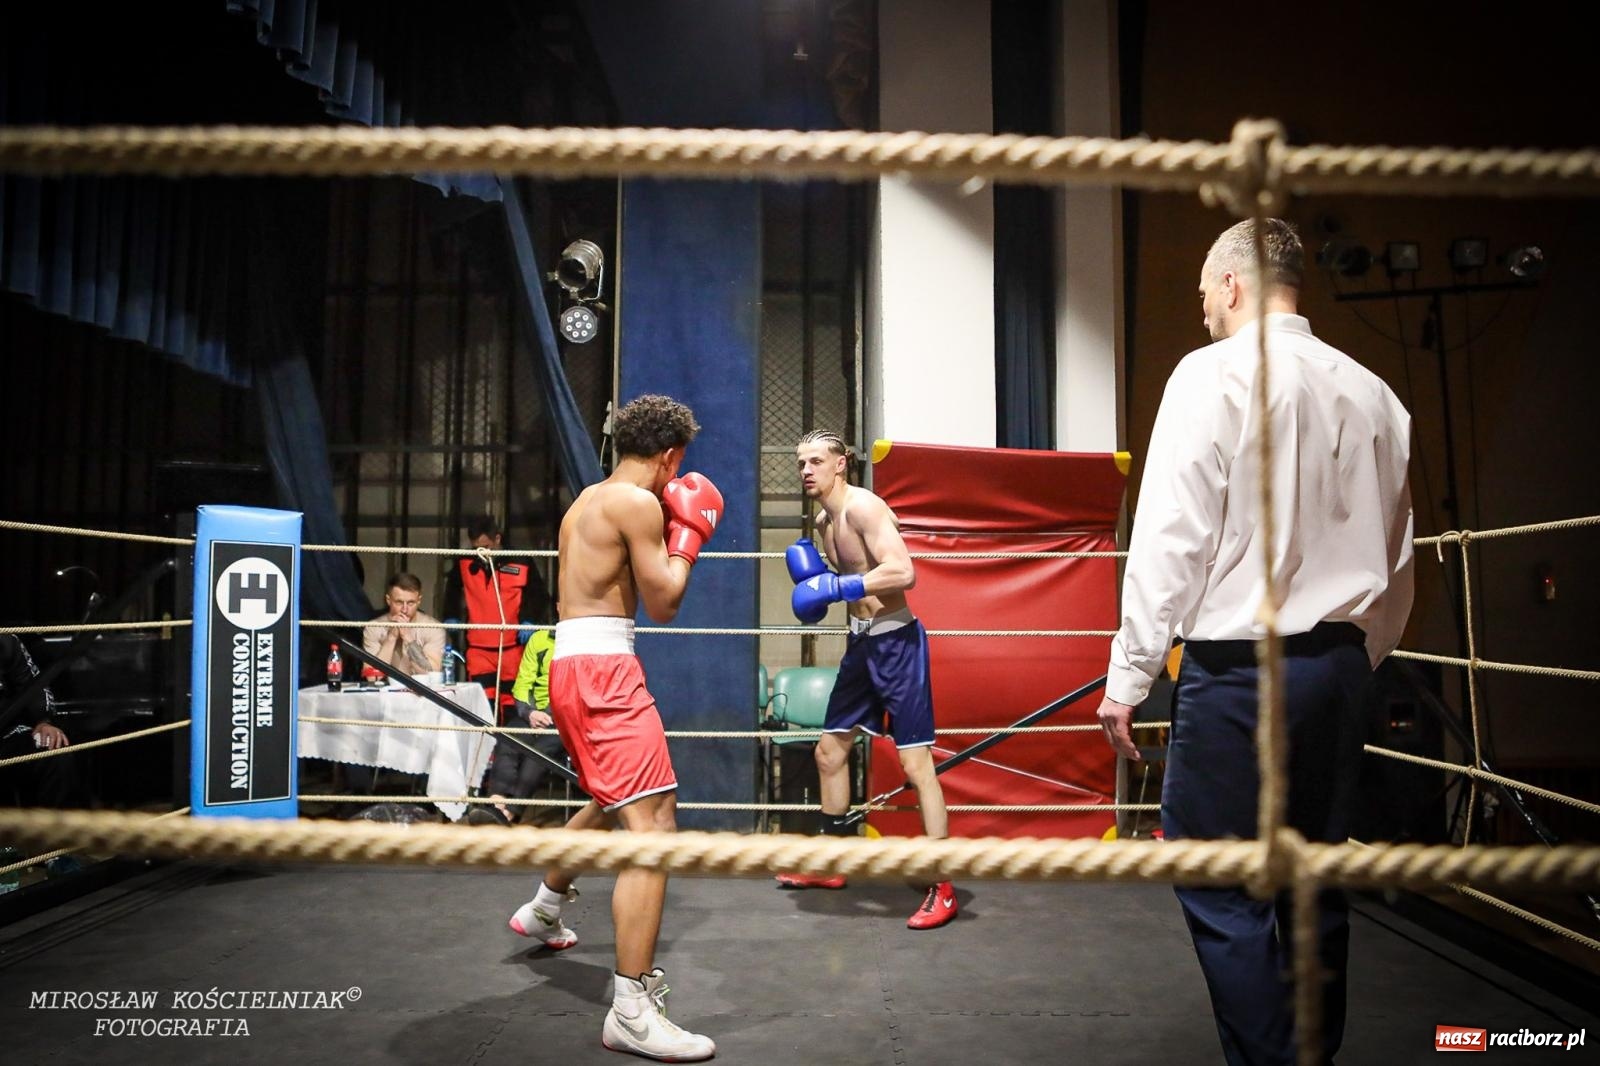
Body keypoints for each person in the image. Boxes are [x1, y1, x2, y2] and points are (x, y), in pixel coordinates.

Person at [1095, 218, 1414, 1066]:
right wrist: (1357, 658)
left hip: (1243, 671)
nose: (1200, 307)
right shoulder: (1375, 391)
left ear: (1233, 284)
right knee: (1314, 884)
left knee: (1214, 876)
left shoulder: (1212, 375)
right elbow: (1398, 553)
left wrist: (1128, 675)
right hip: (1341, 667)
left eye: (1203, 290)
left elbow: (1173, 537)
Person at [505, 394, 722, 1062]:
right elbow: (664, 602)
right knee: (653, 825)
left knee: (615, 796)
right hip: (602, 670)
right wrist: (690, 538)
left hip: (575, 665)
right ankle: (631, 1009)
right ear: (672, 456)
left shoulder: (586, 501)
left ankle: (544, 905)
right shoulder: (637, 504)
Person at [776, 430, 957, 931]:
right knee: (828, 753)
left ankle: (942, 885)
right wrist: (830, 588)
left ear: (842, 465)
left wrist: (838, 584)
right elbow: (847, 592)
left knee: (915, 762)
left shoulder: (864, 509)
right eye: (800, 462)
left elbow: (903, 572)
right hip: (860, 647)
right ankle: (834, 864)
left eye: (816, 460)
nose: (806, 470)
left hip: (897, 644)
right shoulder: (823, 521)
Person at [471, 599, 568, 826]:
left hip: (564, 719)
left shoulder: (585, 643)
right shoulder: (540, 638)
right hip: (533, 714)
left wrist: (555, 716)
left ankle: (509, 814)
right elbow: (523, 683)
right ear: (557, 606)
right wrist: (529, 713)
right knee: (508, 740)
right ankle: (495, 806)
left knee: (536, 755)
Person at [444, 515, 547, 716]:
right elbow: (452, 592)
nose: (482, 553)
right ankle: (486, 748)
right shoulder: (464, 562)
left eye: (486, 546)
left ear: (497, 539)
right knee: (482, 702)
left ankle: (510, 747)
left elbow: (538, 594)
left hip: (512, 648)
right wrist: (451, 615)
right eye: (476, 548)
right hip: (478, 649)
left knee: (512, 702)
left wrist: (530, 619)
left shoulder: (521, 561)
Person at [0, 633, 82, 811]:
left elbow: (33, 685)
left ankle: (56, 834)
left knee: (53, 752)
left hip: (6, 736)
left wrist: (43, 721)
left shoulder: (5, 641)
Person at [361, 573, 446, 676]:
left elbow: (430, 673)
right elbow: (372, 677)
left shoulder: (433, 629)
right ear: (388, 600)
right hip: (385, 690)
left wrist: (408, 638)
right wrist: (391, 637)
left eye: (411, 603)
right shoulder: (373, 628)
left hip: (421, 690)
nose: (405, 610)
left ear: (419, 601)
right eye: (399, 602)